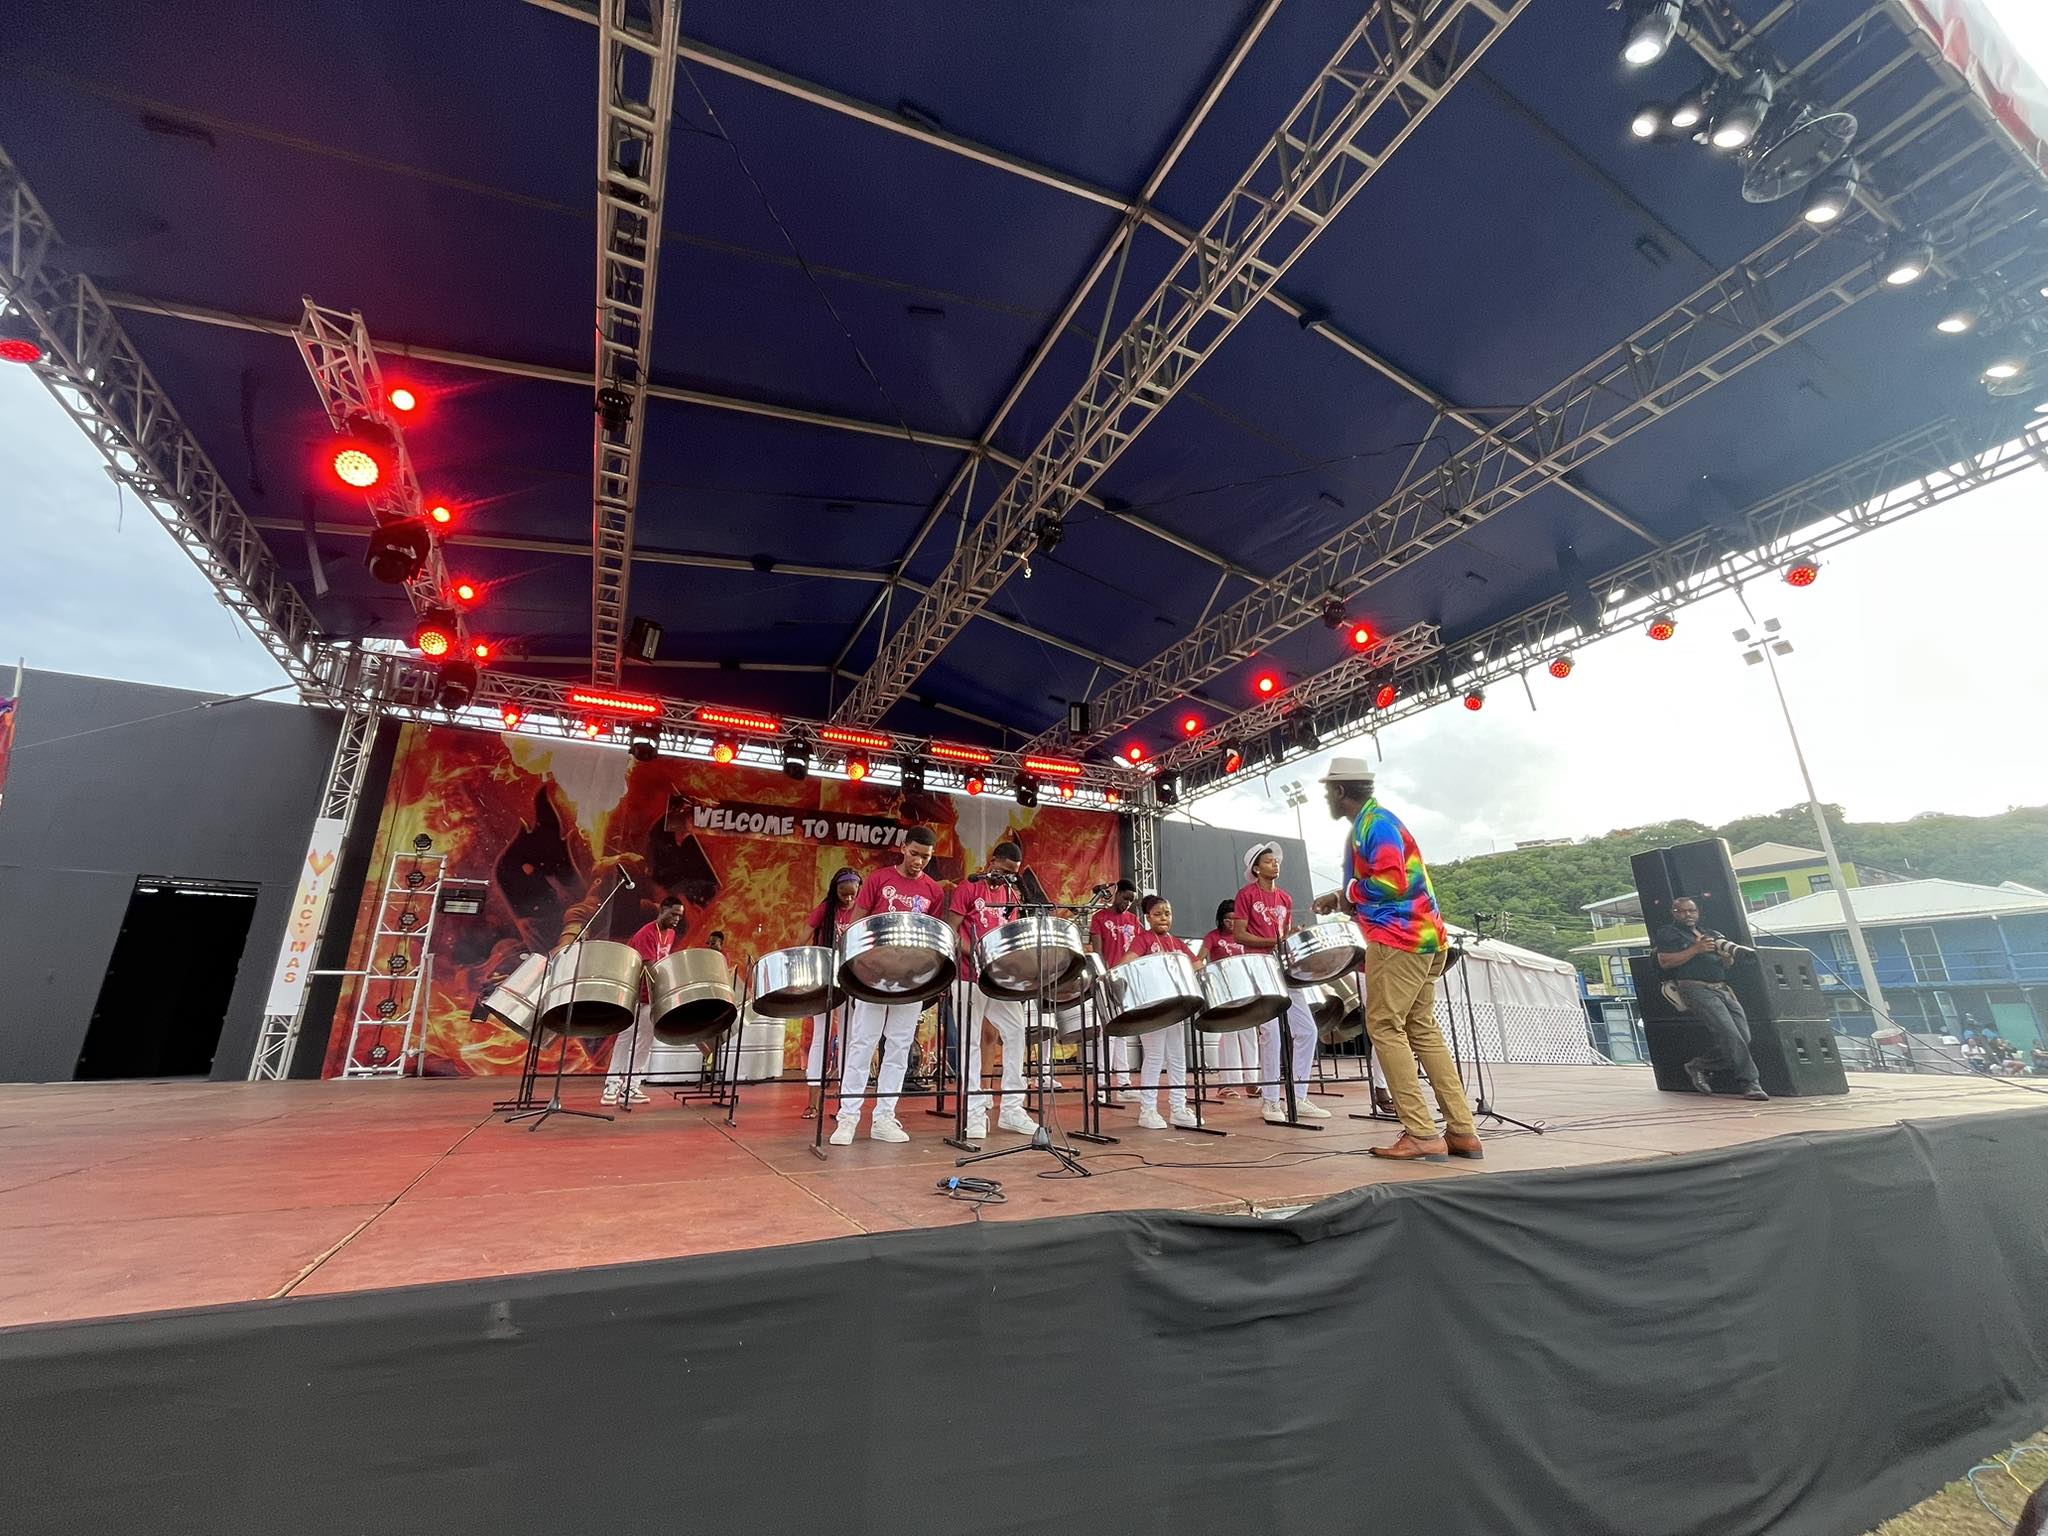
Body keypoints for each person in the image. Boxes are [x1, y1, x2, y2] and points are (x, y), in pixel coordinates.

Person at [1321, 758, 1483, 1161]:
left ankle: (1421, 1132)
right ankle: (1462, 1130)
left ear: (1340, 791)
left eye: (1328, 791)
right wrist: (1342, 898)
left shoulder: (1376, 824)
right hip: (1425, 938)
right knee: (1421, 1029)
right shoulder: (1374, 823)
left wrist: (1351, 892)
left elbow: (1393, 882)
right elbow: (1385, 881)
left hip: (1399, 939)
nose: (1326, 798)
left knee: (1383, 1026)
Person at [832, 828, 951, 1145]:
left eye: (925, 857)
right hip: (874, 974)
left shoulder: (933, 890)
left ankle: (884, 1117)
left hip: (909, 977)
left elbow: (930, 939)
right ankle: (848, 1118)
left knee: (899, 1047)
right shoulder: (878, 878)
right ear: (903, 848)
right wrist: (861, 964)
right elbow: (857, 924)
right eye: (914, 853)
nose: (919, 861)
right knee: (862, 1044)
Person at [1230, 841, 1327, 1123]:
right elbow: (1239, 934)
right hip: (1260, 966)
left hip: (1284, 968)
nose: (1275, 864)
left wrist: (1291, 936)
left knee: (1307, 1030)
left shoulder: (1285, 898)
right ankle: (1271, 1101)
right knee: (1271, 1033)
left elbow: (1283, 936)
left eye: (1276, 861)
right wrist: (1273, 941)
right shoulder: (1246, 895)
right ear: (1256, 868)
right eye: (1268, 861)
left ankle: (1299, 1095)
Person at [951, 841, 1042, 1140]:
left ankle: (1012, 1109)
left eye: (1012, 874)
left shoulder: (1011, 895)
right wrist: (978, 954)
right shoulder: (968, 888)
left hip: (999, 978)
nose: (1007, 877)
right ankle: (974, 1113)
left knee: (1016, 1032)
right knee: (971, 1042)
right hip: (968, 975)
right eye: (1004, 871)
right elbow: (952, 931)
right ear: (992, 862)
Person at [1654, 896, 1769, 1102]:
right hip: (1695, 987)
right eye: (1682, 911)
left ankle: (1699, 1065)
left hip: (1722, 988)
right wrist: (1695, 949)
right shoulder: (1668, 933)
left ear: (1698, 912)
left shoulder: (1711, 934)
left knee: (1743, 1036)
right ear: (1674, 913)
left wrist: (1727, 956)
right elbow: (1665, 962)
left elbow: (1726, 965)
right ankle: (1750, 1083)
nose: (1687, 915)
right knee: (1729, 1034)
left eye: (1691, 911)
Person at [1124, 895, 1202, 1130]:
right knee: (1154, 1056)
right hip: (1152, 1007)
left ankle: (1178, 1108)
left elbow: (1197, 966)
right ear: (1148, 918)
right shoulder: (1143, 939)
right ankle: (1147, 1110)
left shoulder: (1177, 943)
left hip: (1174, 1007)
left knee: (1178, 1057)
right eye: (1157, 914)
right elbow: (1125, 964)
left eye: (1167, 913)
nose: (1163, 918)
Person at [603, 893, 684, 1107]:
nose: (676, 919)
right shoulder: (646, 933)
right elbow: (649, 968)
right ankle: (612, 1084)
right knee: (625, 1038)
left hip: (652, 997)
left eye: (679, 916)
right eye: (673, 914)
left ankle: (631, 1086)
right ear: (662, 910)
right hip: (636, 994)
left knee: (645, 1041)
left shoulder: (670, 934)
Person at [800, 868, 863, 1118]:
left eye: (853, 895)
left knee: (849, 1038)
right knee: (821, 1037)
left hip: (851, 979)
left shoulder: (862, 911)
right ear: (834, 891)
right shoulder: (825, 909)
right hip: (825, 979)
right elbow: (801, 937)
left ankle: (844, 1105)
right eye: (843, 894)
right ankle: (813, 1103)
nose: (848, 899)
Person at [1089, 878, 1142, 1099]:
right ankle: (1102, 1085)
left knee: (1122, 1032)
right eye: (1125, 898)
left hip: (1127, 979)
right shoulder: (1099, 918)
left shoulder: (1134, 920)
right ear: (1117, 893)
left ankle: (1123, 1084)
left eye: (1131, 901)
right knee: (1106, 1033)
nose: (1127, 903)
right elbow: (1097, 952)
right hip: (1108, 977)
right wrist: (1104, 976)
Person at [1201, 899, 1257, 1098]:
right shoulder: (1213, 937)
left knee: (1249, 1033)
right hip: (1224, 991)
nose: (1232, 923)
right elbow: (1200, 958)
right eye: (1228, 919)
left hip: (1245, 989)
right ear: (1220, 919)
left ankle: (1253, 1081)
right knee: (1229, 1036)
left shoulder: (1245, 936)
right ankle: (1227, 1083)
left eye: (1235, 919)